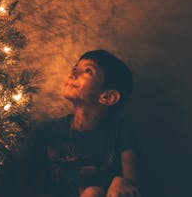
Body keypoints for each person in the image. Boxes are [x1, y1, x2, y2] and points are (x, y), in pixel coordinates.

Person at [23, 50, 141, 197]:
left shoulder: (121, 130)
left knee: (94, 192)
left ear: (108, 97)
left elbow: (132, 184)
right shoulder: (46, 131)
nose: (73, 74)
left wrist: (121, 181)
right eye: (74, 68)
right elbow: (28, 186)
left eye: (87, 71)